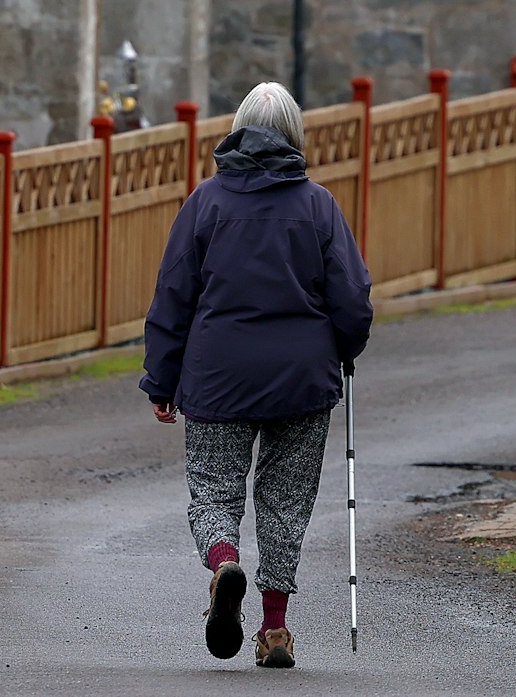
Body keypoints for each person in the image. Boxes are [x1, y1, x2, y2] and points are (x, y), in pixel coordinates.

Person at [142, 81, 373, 670]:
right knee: (284, 503)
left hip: (218, 375)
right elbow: (352, 297)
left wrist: (161, 380)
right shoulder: (318, 205)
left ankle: (224, 566)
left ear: (236, 132)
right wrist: (344, 351)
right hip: (301, 378)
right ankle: (273, 629)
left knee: (215, 490)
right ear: (295, 136)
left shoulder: (206, 203)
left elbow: (174, 293)